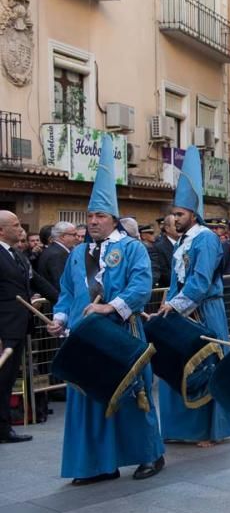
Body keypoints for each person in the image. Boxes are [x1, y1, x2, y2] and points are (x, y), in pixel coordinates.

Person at [46, 136, 166, 483]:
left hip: (121, 332)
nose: (93, 221)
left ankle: (149, 455)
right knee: (87, 399)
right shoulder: (77, 255)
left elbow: (141, 288)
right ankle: (98, 464)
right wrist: (60, 318)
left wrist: (108, 308)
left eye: (99, 215)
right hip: (84, 338)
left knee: (133, 396)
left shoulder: (132, 249)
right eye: (89, 216)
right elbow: (68, 294)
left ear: (113, 218)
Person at [155, 145, 230, 447]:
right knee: (177, 366)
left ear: (194, 213)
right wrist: (169, 305)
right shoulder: (182, 242)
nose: (174, 219)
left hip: (205, 312)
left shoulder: (206, 240)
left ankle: (208, 430)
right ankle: (180, 428)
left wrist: (175, 307)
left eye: (180, 213)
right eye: (173, 214)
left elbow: (200, 282)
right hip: (181, 310)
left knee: (206, 367)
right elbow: (178, 280)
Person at [0, 211, 58, 444]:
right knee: (3, 379)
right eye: (15, 225)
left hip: (19, 326)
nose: (21, 229)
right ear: (2, 230)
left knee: (8, 378)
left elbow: (37, 282)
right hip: (3, 328)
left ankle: (3, 428)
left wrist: (66, 302)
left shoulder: (17, 254)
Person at [37, 221, 78, 295]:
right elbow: (60, 282)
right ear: (63, 236)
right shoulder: (57, 254)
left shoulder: (54, 250)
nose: (77, 238)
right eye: (74, 235)